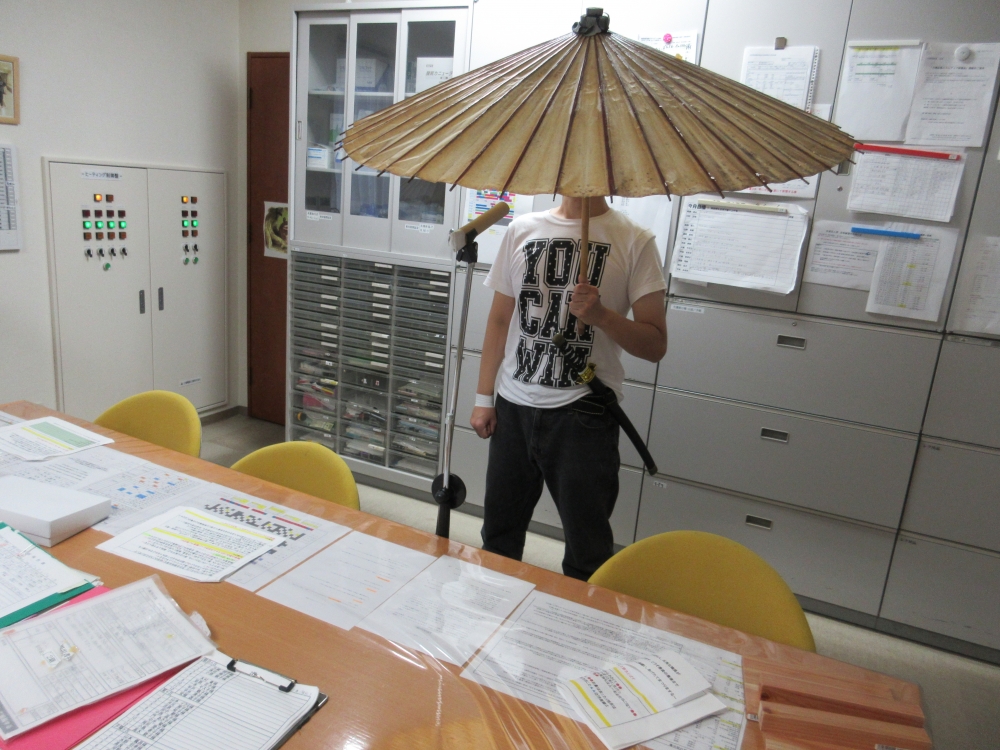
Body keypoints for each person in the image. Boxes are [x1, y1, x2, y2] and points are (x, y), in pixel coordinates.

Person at [470, 196, 668, 580]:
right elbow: (499, 321)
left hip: (583, 417)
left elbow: (655, 345)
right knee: (497, 537)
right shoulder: (521, 230)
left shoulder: (635, 240)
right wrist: (483, 399)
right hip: (513, 409)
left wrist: (601, 315)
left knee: (587, 553)